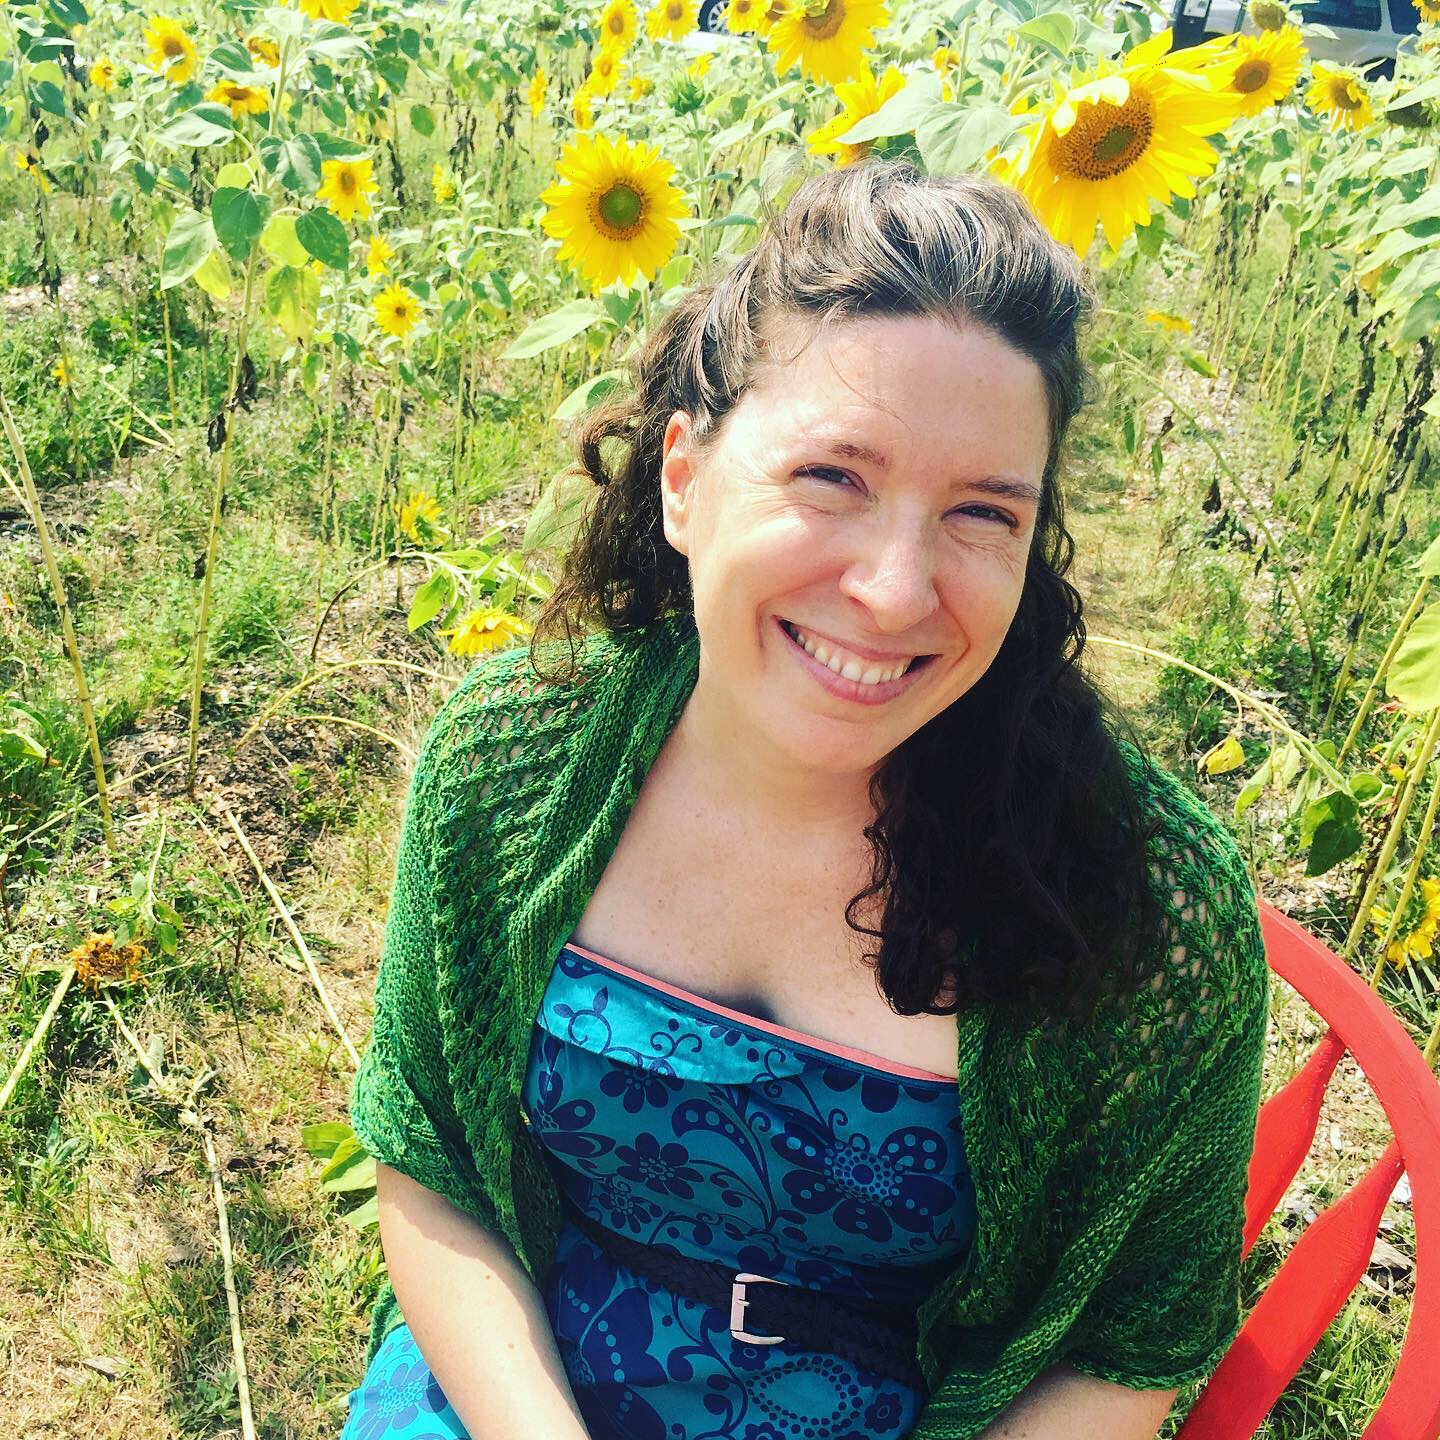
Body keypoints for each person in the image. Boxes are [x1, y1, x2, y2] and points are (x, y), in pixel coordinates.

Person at [340, 160, 1270, 1440]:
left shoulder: (1145, 905)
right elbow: (433, 1158)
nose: (894, 590)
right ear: (682, 479)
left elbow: (1129, 1338)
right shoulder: (513, 761)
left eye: (981, 513)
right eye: (834, 476)